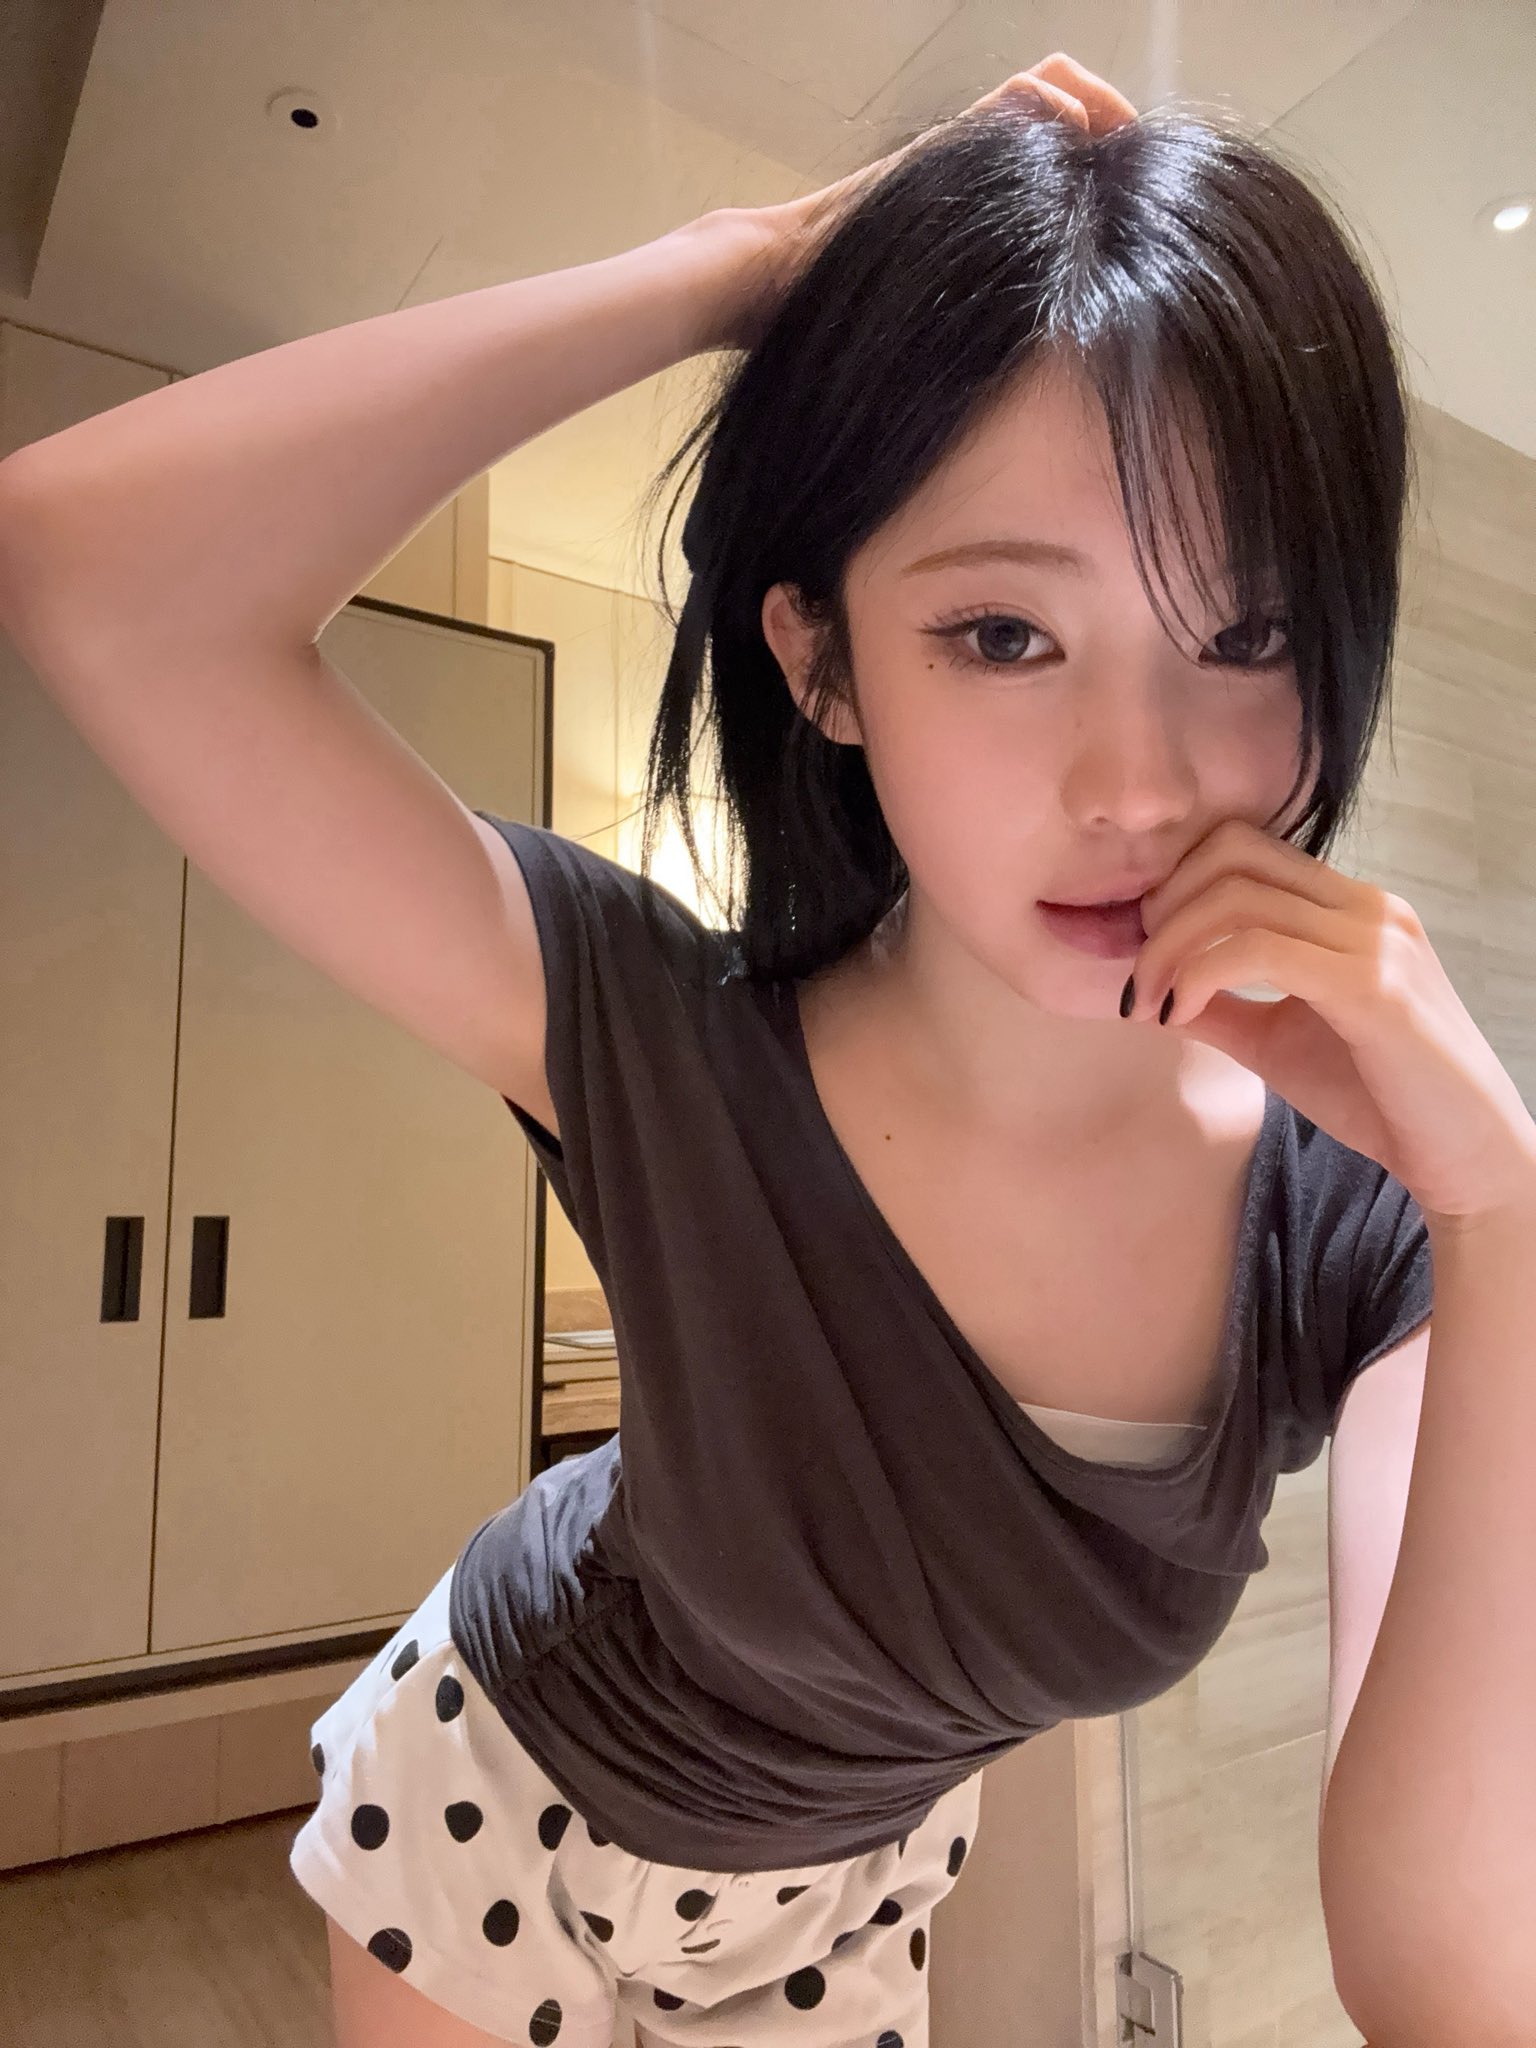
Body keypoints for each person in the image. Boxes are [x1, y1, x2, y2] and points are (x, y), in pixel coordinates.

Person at [0, 51, 1434, 2048]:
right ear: (823, 663)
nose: (1139, 783)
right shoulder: (665, 1044)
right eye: (1004, 635)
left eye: (1246, 639)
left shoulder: (1361, 1226)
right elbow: (92, 569)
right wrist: (738, 265)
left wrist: (1510, 1204)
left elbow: (1453, 1971)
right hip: (498, 1802)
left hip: (853, 1893)